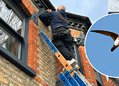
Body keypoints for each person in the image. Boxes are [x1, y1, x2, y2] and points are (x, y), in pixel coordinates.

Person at [39, 5, 79, 70]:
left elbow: (42, 17)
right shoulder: (65, 19)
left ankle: (70, 59)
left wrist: (47, 12)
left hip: (58, 31)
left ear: (57, 9)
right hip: (68, 34)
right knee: (67, 48)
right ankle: (74, 63)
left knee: (57, 43)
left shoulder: (54, 13)